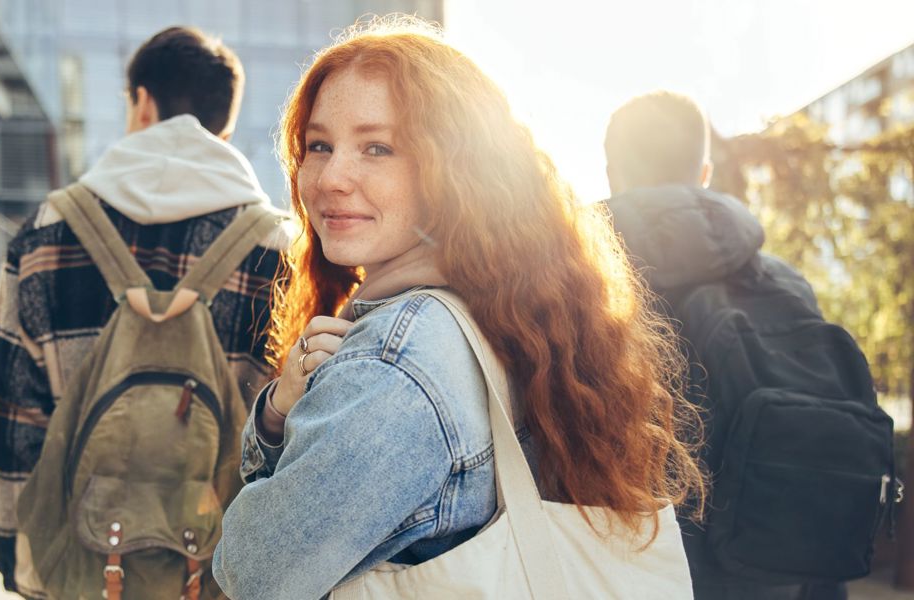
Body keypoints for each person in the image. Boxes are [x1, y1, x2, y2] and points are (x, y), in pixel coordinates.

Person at [211, 17, 704, 599]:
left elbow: (252, 570)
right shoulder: (506, 308)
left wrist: (275, 418)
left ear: (457, 170)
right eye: (319, 146)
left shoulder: (397, 361)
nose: (331, 178)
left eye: (378, 148)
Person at [0, 26, 286, 597]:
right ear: (225, 124)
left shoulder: (49, 231)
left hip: (80, 569)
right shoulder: (277, 249)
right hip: (221, 575)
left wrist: (15, 558)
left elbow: (13, 414)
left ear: (143, 102)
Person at [604, 91, 871, 600]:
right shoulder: (787, 283)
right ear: (703, 174)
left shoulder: (588, 285)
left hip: (643, 573)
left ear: (613, 173)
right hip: (777, 567)